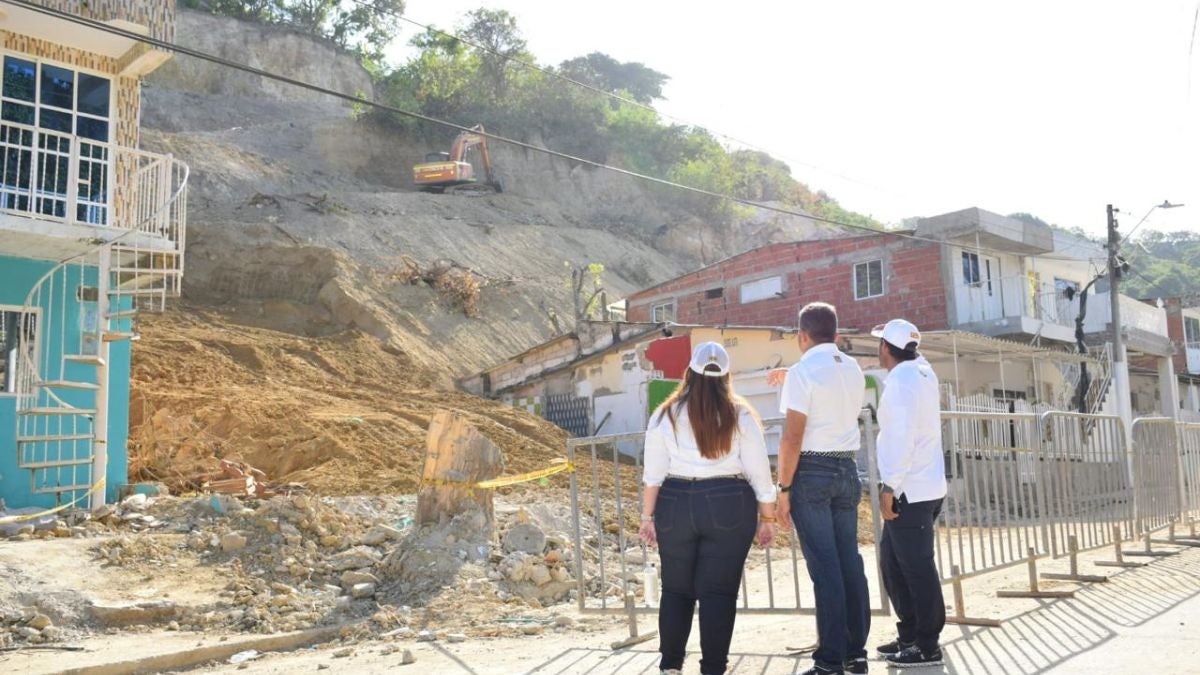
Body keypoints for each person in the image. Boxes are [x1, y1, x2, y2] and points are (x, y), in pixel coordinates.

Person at [640, 341, 778, 675]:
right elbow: (759, 471)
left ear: (689, 372)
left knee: (675, 588)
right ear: (726, 375)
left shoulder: (665, 414)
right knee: (718, 593)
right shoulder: (740, 413)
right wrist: (767, 517)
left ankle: (670, 665)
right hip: (728, 501)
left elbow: (653, 474)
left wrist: (647, 517)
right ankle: (713, 667)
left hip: (674, 502)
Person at [772, 302, 869, 675]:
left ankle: (829, 660)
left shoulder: (802, 372)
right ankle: (854, 653)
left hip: (812, 472)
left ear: (802, 335)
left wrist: (783, 489)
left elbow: (792, 439)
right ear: (836, 333)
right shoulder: (852, 367)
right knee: (849, 563)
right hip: (847, 469)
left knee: (824, 568)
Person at [871, 319, 947, 668]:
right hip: (925, 484)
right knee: (894, 563)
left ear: (886, 347)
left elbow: (901, 437)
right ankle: (911, 635)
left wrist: (889, 485)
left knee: (914, 569)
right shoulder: (922, 372)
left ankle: (927, 644)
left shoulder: (901, 381)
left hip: (909, 488)